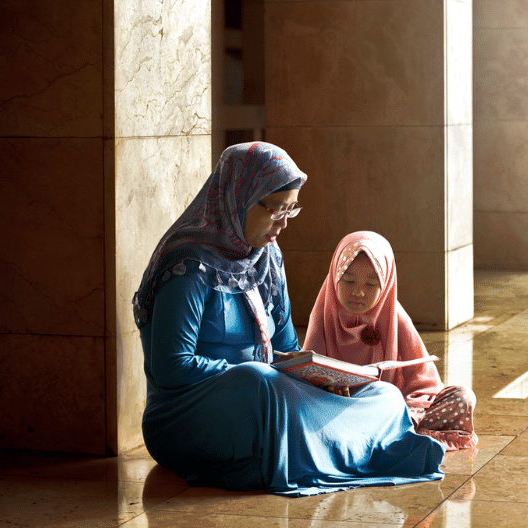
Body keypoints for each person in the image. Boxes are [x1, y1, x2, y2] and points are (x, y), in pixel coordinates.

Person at [132, 142, 445, 497]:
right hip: (187, 416)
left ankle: (318, 449)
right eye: (275, 209)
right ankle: (343, 448)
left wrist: (320, 378)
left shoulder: (267, 258)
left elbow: (285, 350)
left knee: (383, 396)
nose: (282, 222)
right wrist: (259, 371)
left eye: (291, 209)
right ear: (239, 197)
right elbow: (173, 367)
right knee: (258, 377)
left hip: (266, 398)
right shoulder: (188, 264)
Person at [303, 231, 478, 451]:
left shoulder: (395, 317)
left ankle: (388, 432)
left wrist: (408, 404)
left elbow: (424, 380)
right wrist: (329, 389)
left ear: (385, 285)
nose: (358, 292)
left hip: (387, 407)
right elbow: (309, 376)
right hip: (338, 407)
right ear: (335, 277)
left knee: (462, 396)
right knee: (297, 405)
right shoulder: (323, 314)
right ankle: (389, 437)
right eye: (348, 280)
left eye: (370, 284)